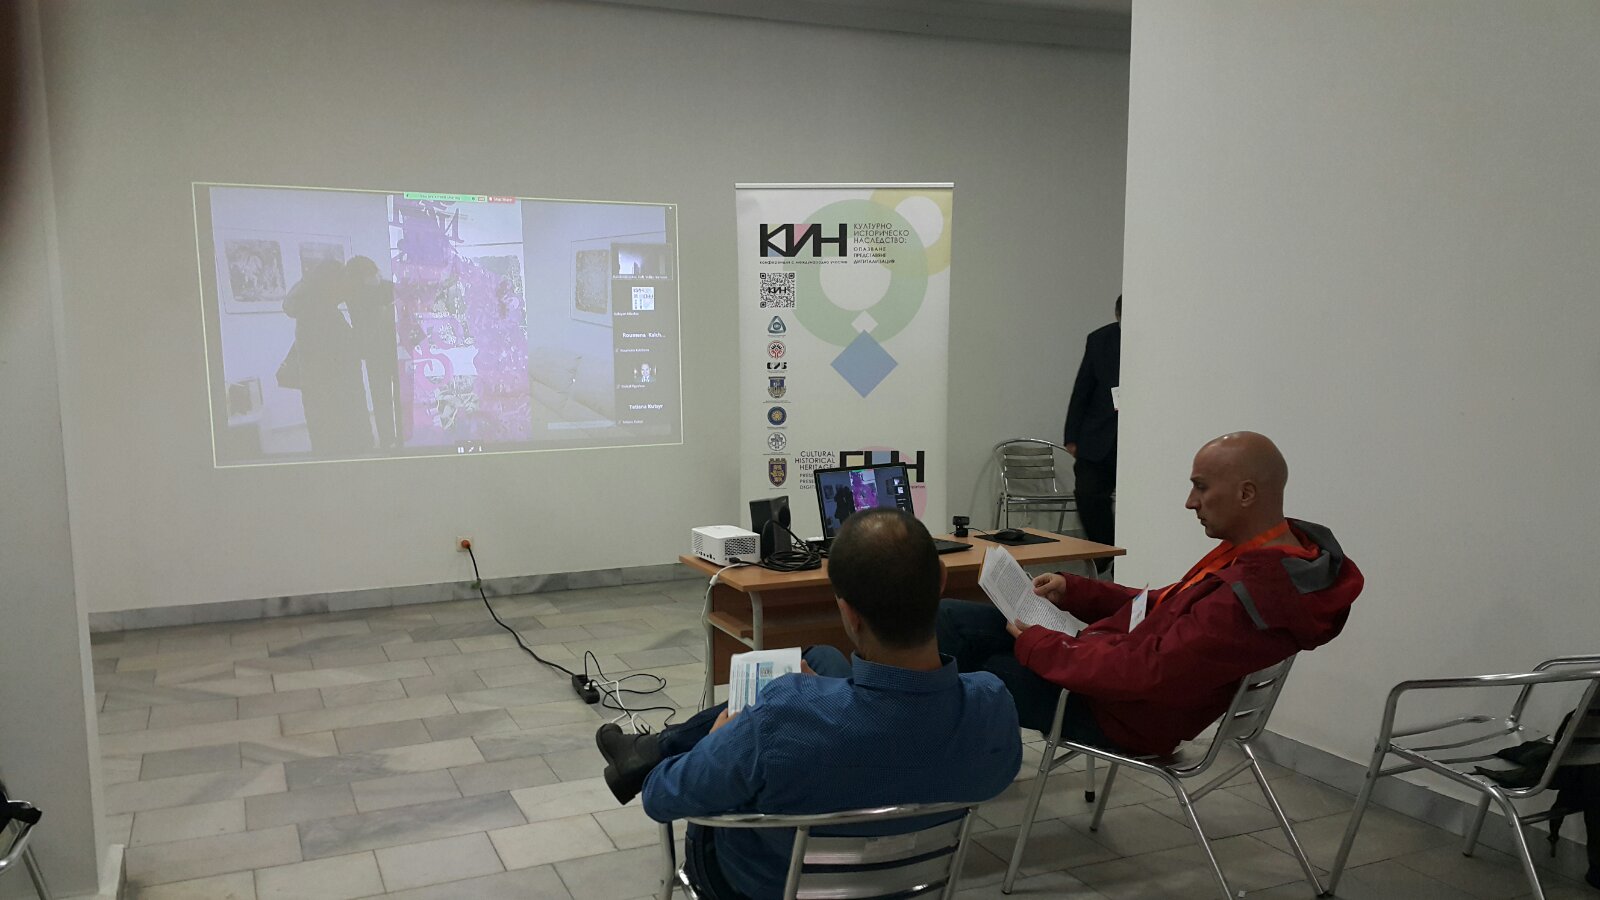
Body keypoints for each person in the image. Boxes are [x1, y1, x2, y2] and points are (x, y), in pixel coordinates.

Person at [596, 508, 1022, 900]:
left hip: (761, 886)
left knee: (740, 751)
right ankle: (647, 749)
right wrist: (828, 698)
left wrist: (714, 742)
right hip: (913, 885)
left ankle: (648, 751)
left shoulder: (783, 716)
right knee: (823, 659)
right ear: (941, 581)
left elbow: (661, 796)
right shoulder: (992, 706)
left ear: (849, 613)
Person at [938, 431, 1363, 757]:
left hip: (1116, 715)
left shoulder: (1249, 595)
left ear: (1246, 493)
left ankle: (927, 777)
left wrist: (1042, 644)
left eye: (1201, 487)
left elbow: (1145, 670)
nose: (1190, 502)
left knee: (962, 666)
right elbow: (1164, 604)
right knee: (950, 619)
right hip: (1114, 682)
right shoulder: (1270, 559)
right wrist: (1076, 590)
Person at [282, 259, 370, 454]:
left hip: (317, 389)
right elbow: (347, 352)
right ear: (330, 283)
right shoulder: (323, 314)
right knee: (340, 437)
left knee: (323, 433)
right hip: (335, 390)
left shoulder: (309, 309)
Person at [1063, 295, 1121, 571]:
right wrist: (1071, 435)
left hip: (1139, 439)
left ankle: (1122, 557)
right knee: (1087, 495)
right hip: (1097, 436)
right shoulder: (1100, 340)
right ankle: (1106, 552)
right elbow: (1083, 388)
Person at [343, 256, 402, 449]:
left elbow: (406, 315)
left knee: (399, 397)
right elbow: (363, 325)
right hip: (375, 352)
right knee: (381, 398)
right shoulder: (354, 295)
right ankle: (387, 439)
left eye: (373, 272)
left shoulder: (389, 287)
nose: (375, 276)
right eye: (368, 274)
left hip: (395, 350)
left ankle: (401, 436)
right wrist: (384, 311)